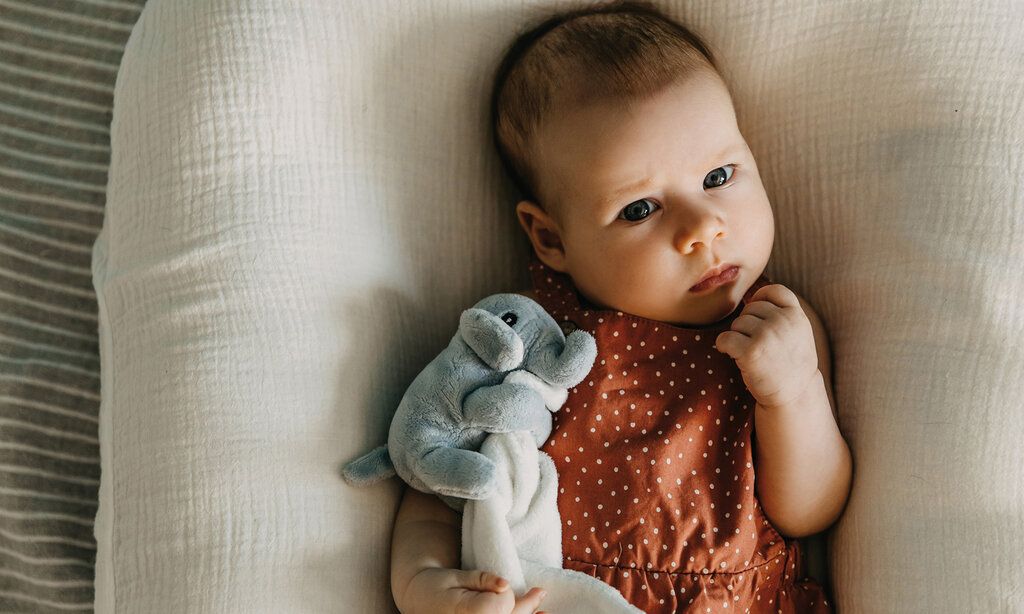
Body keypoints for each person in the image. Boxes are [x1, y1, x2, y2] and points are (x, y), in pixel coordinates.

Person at [390, 1, 853, 612]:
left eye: (719, 175)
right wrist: (422, 583)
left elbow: (808, 513)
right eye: (640, 209)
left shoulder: (775, 327)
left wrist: (792, 392)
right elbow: (438, 478)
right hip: (558, 593)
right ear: (552, 239)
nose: (702, 228)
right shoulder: (523, 338)